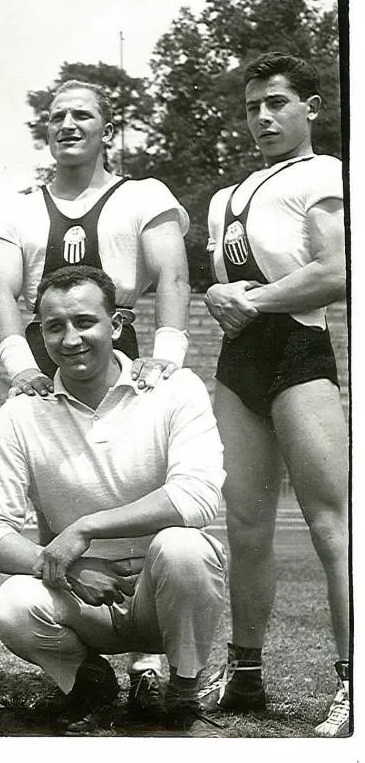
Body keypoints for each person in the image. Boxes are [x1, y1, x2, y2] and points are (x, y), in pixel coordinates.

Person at [0, 79, 191, 700]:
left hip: (119, 355)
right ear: (45, 130)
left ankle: (152, 656)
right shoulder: (17, 205)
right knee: (58, 500)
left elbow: (174, 274)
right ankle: (82, 659)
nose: (69, 124)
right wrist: (19, 363)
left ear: (108, 127)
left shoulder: (142, 195)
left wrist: (168, 357)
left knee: (142, 491)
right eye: (57, 116)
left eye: (84, 115)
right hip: (46, 357)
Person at [0, 266, 227, 737]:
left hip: (160, 592)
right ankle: (89, 684)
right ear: (39, 333)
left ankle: (185, 691)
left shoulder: (173, 390)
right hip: (82, 595)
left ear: (118, 324)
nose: (70, 339)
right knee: (11, 606)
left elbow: (198, 496)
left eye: (85, 322)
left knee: (185, 547)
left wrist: (84, 529)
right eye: (54, 326)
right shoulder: (24, 411)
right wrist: (67, 566)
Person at [197, 52, 349, 738]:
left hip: (297, 354)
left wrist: (247, 299)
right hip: (239, 365)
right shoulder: (224, 196)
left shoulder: (324, 174)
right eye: (254, 105)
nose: (263, 115)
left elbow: (335, 271)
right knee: (246, 527)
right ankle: (247, 674)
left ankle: (352, 681)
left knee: (331, 527)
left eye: (278, 102)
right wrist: (214, 291)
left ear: (309, 107)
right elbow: (220, 288)